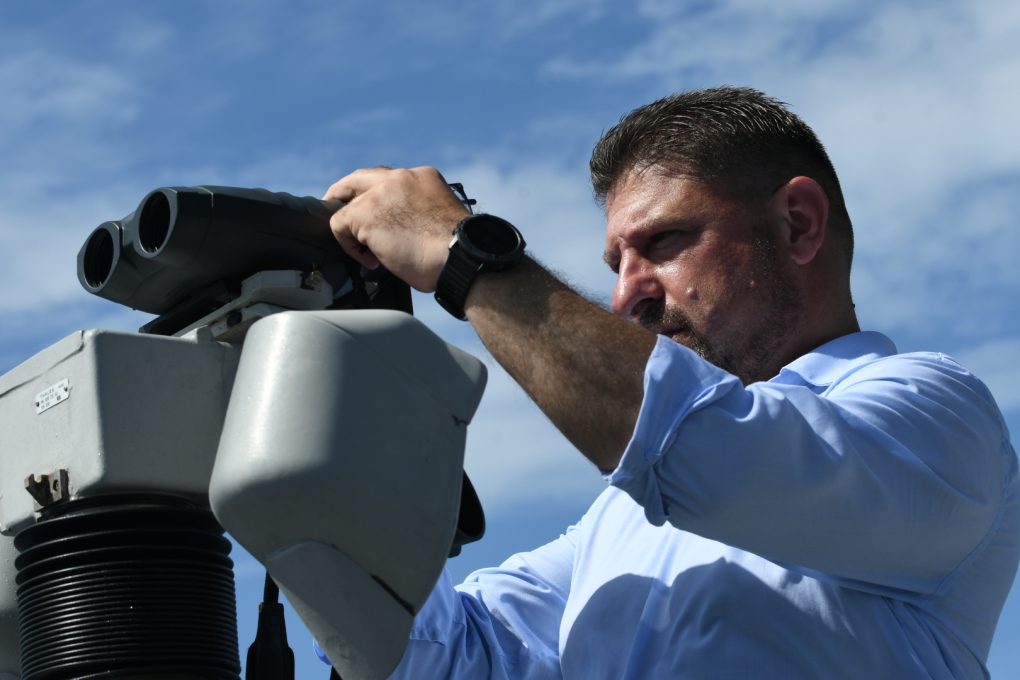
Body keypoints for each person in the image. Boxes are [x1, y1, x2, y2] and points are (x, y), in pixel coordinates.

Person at [321, 87, 1019, 678]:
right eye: (616, 263)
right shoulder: (620, 519)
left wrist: (465, 256)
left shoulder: (938, 418)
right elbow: (444, 655)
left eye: (662, 242)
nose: (627, 296)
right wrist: (304, 392)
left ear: (798, 225)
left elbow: (707, 450)